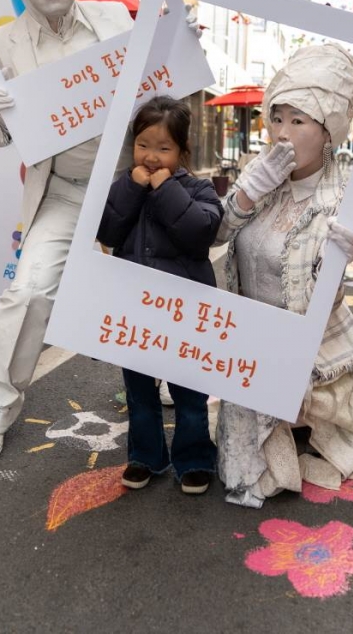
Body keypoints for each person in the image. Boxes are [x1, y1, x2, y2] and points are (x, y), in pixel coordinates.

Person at [0, 0, 137, 462]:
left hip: (130, 185)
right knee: (28, 291)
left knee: (156, 287)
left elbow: (160, 86)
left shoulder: (117, 20)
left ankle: (165, 385)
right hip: (62, 191)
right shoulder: (3, 44)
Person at [215, 43, 353, 509]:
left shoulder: (343, 199)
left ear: (327, 133)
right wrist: (247, 193)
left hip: (313, 350)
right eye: (277, 117)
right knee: (242, 459)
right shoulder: (259, 173)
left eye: (298, 120)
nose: (282, 133)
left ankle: (306, 421)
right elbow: (216, 233)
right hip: (247, 338)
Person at [97, 96, 222, 495]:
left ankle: (194, 459)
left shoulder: (200, 189)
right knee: (138, 389)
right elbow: (107, 231)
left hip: (184, 311)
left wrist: (165, 188)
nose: (151, 157)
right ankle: (145, 456)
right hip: (135, 308)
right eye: (143, 145)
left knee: (189, 389)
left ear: (183, 151)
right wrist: (132, 189)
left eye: (163, 148)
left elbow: (200, 232)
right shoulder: (123, 186)